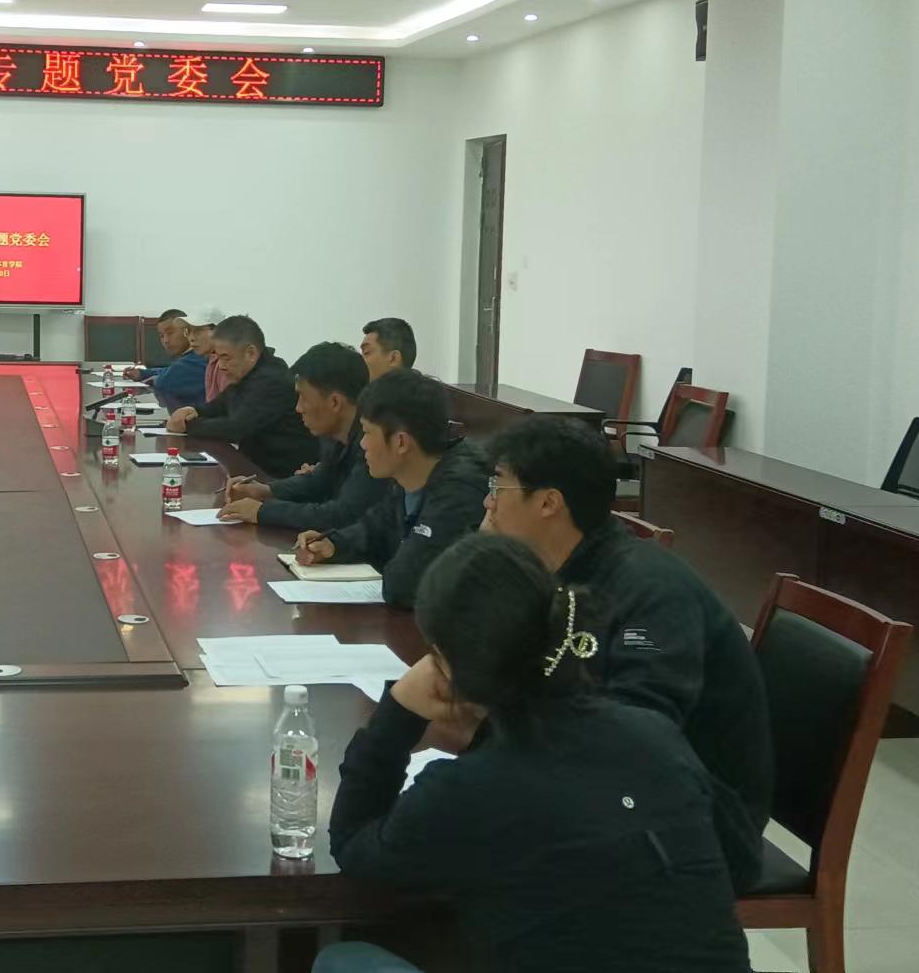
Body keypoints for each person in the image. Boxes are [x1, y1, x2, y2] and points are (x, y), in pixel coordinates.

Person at [323, 533, 753, 973]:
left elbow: (353, 846)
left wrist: (397, 713)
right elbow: (741, 860)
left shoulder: (468, 790)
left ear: (446, 665)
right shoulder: (655, 732)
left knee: (342, 961)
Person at [481, 415, 772, 889]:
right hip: (620, 790)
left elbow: (640, 733)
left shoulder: (650, 589)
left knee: (471, 848)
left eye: (499, 486)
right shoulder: (564, 568)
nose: (488, 502)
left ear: (549, 502)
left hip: (699, 824)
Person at [294, 369, 488, 607]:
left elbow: (404, 584)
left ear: (400, 442)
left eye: (367, 432)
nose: (362, 444)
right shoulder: (408, 475)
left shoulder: (460, 490)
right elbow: (375, 527)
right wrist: (333, 544)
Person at [218, 341, 386, 531]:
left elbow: (341, 515)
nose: (298, 408)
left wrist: (262, 511)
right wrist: (265, 490)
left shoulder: (373, 444)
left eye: (303, 397)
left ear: (334, 402)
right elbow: (319, 481)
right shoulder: (336, 435)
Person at [165, 314, 316, 477]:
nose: (221, 366)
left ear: (251, 353)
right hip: (255, 467)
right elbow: (222, 403)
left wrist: (187, 426)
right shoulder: (251, 373)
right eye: (218, 357)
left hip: (278, 476)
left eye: (226, 358)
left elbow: (235, 428)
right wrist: (194, 410)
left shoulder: (271, 380)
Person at [121, 308, 207, 407]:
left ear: (187, 331)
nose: (165, 340)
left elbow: (165, 381)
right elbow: (170, 371)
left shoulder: (198, 358)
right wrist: (142, 373)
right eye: (161, 336)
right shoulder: (187, 360)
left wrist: (155, 379)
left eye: (170, 333)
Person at [181, 305, 227, 402]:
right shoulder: (212, 360)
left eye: (197, 330)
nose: (191, 338)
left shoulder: (225, 365)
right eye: (188, 331)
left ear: (217, 331)